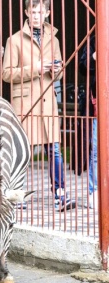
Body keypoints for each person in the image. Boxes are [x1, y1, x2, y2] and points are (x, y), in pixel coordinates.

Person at [2, 0, 76, 211]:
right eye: (32, 11)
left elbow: (60, 71)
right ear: (26, 13)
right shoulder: (14, 40)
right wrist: (34, 68)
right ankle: (18, 194)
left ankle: (60, 194)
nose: (36, 15)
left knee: (54, 150)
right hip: (25, 103)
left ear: (47, 13)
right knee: (22, 151)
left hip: (48, 103)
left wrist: (56, 70)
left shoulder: (54, 39)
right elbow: (6, 73)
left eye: (40, 11)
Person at [79, 34, 98, 209]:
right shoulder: (93, 39)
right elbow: (82, 67)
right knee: (97, 152)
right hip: (99, 103)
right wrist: (93, 57)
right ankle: (95, 191)